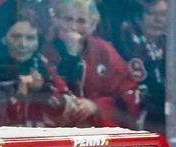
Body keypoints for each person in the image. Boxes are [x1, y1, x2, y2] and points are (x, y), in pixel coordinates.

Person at [41, 0, 139, 128]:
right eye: (68, 19)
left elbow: (128, 93)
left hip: (97, 135)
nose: (73, 26)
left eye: (81, 21)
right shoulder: (43, 49)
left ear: (93, 25)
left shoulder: (104, 51)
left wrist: (96, 106)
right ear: (56, 20)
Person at [113, 0, 166, 135]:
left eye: (163, 14)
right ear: (138, 17)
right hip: (134, 118)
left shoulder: (169, 43)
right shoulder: (124, 42)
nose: (158, 20)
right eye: (151, 13)